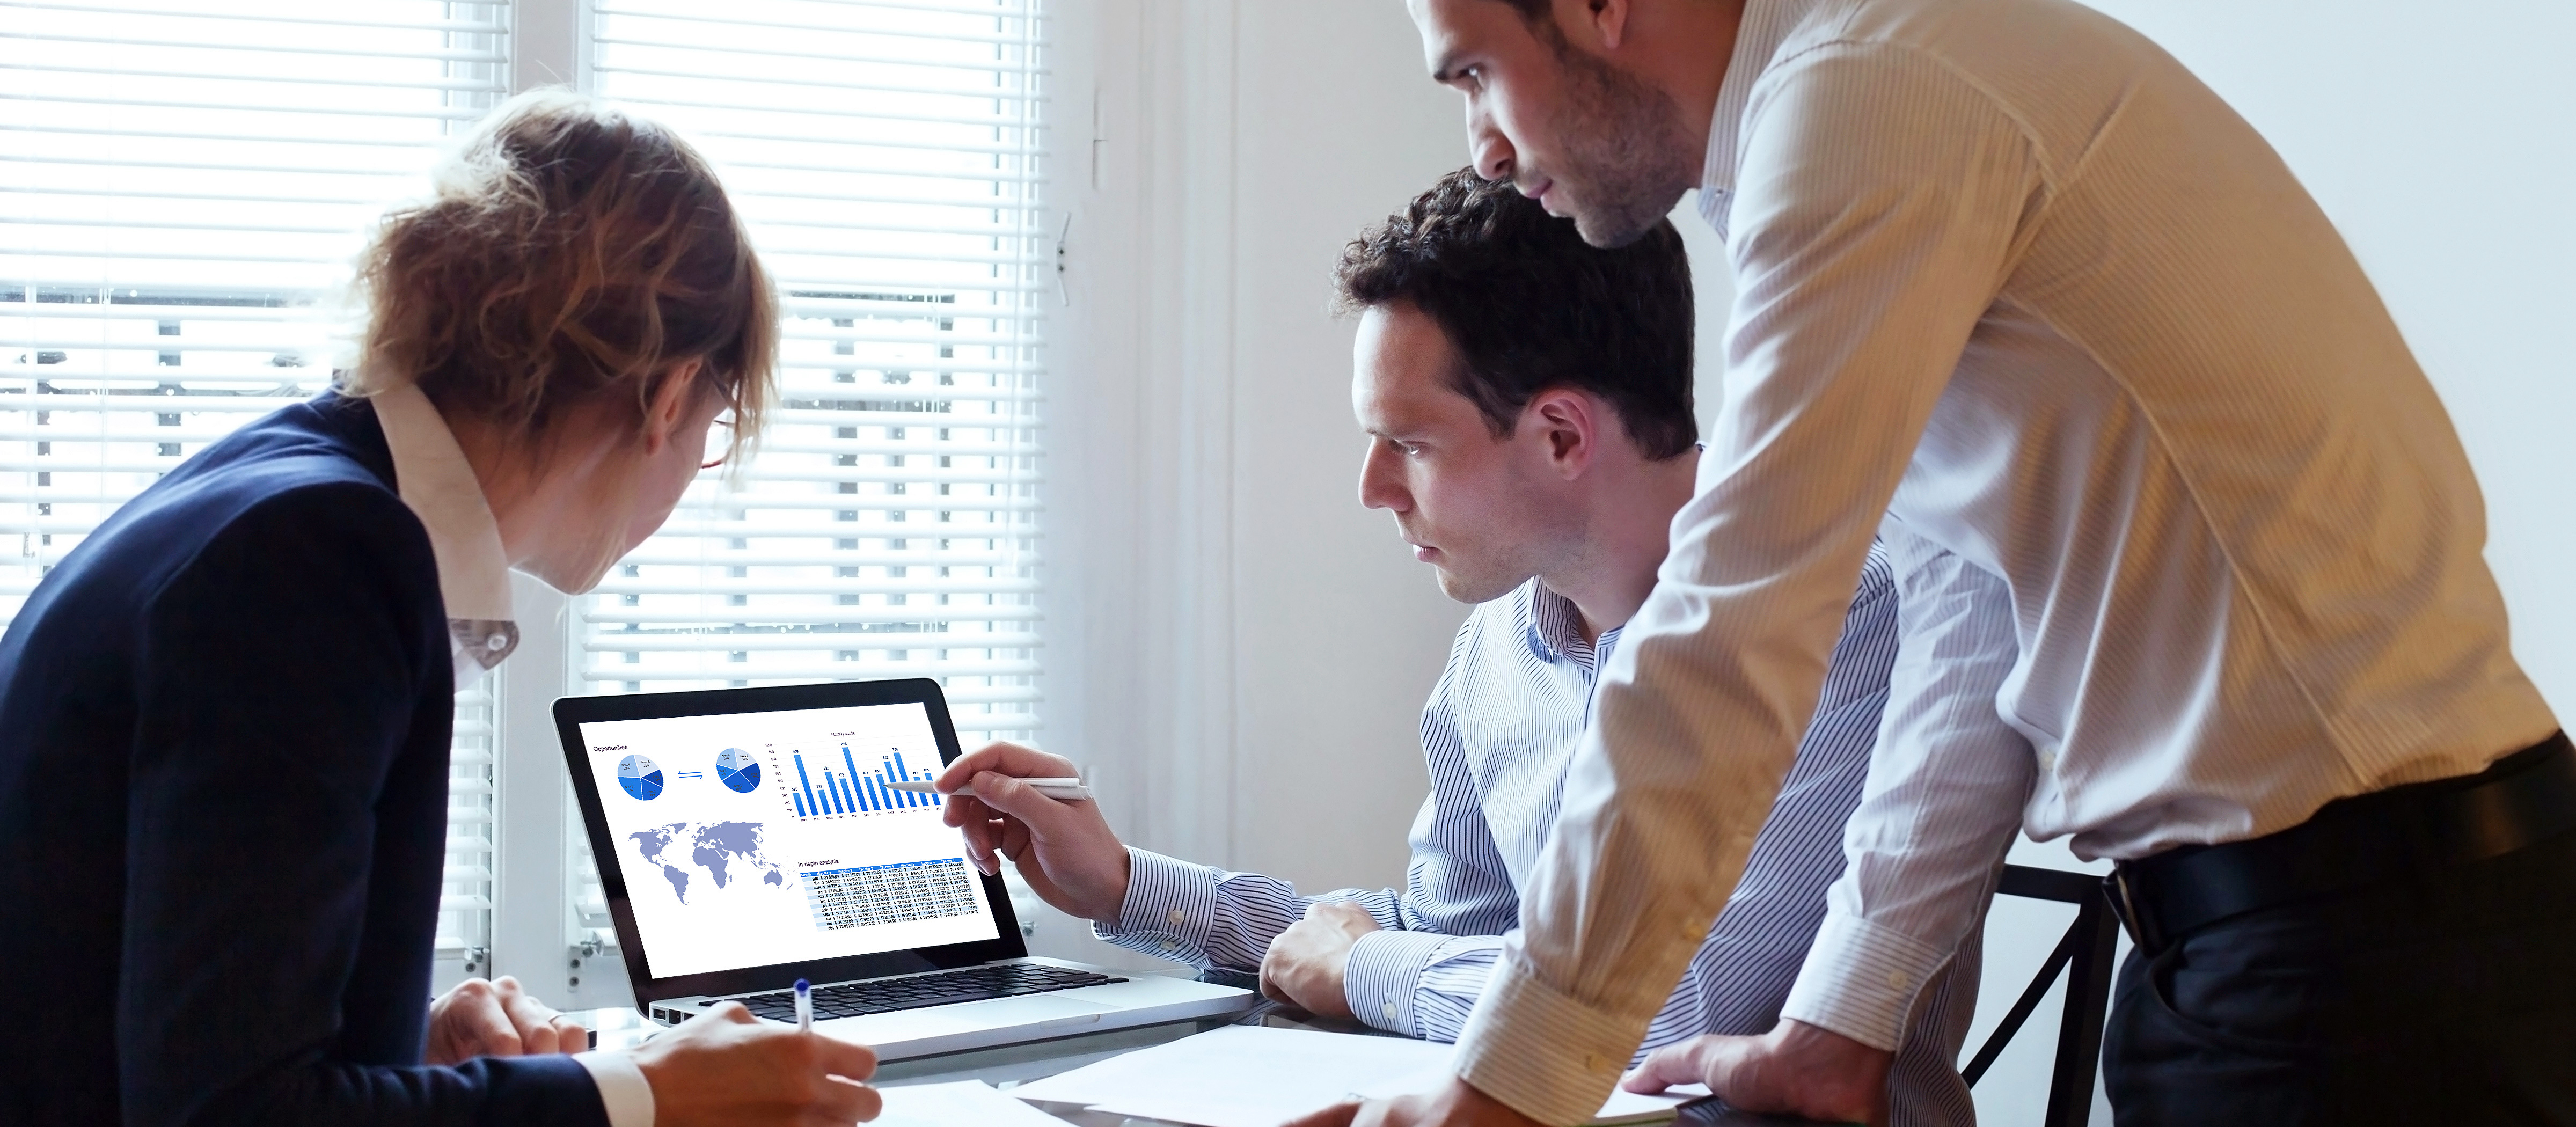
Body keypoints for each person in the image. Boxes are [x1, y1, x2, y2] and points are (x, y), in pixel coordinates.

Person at [1300, 1, 2576, 1126]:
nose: (1483, 146)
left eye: (1472, 73)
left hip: (2361, 962)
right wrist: (1842, 1022)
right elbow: (1971, 611)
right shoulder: (1853, 100)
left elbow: (1735, 628)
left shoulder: (1864, 97)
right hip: (2312, 942)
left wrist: (1512, 1082)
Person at [935, 169, 1993, 1127]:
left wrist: (1369, 968)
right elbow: (1445, 932)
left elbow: (1679, 1005)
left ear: (1563, 437)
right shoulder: (1496, 650)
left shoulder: (1843, 616)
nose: (1371, 490)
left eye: (1409, 443)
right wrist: (1124, 885)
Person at [0, 91, 882, 1126]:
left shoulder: (276, 488)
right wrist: (640, 1094)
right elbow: (229, 1111)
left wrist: (406, 1042)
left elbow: (164, 1001)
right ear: (673, 395)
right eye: (716, 426)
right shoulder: (321, 557)